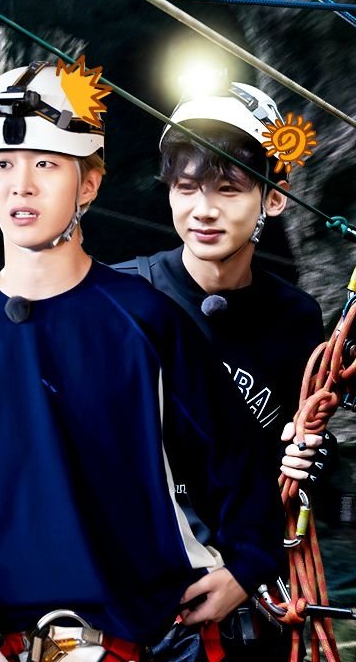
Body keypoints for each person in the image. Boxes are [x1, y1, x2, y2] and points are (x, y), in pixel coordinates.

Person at [0, 62, 283, 661]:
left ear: (90, 184)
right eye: (2, 165)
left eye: (47, 164)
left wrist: (247, 566)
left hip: (143, 637)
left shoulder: (145, 320)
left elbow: (235, 458)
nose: (22, 186)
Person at [114, 82, 327, 657]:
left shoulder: (296, 318)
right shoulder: (120, 296)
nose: (203, 210)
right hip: (134, 587)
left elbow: (282, 462)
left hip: (248, 588)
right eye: (186, 188)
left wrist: (309, 457)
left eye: (229, 189)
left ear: (274, 199)